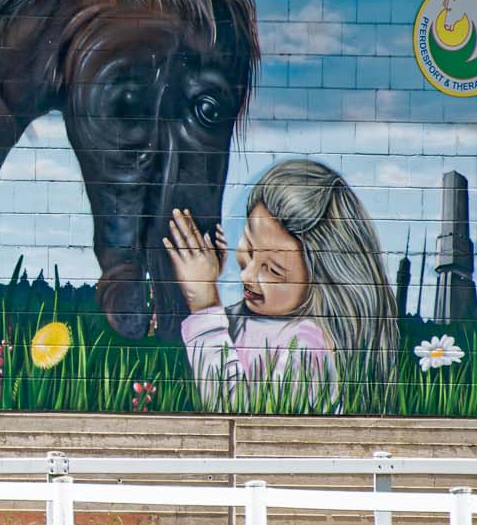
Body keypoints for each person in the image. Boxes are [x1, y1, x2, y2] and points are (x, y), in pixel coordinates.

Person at [163, 158, 399, 403]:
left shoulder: (311, 347)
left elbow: (239, 412)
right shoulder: (259, 317)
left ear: (321, 282)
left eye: (274, 270)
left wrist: (204, 303)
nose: (248, 274)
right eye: (249, 248)